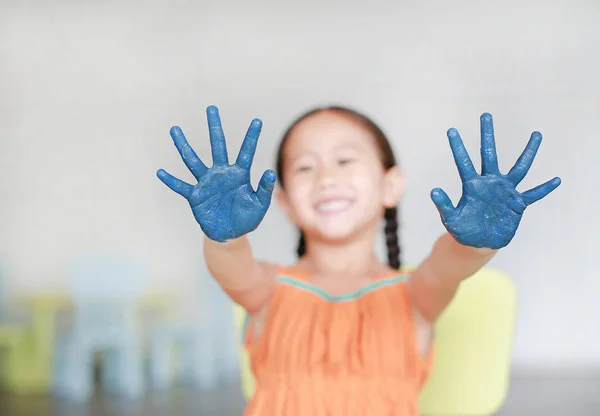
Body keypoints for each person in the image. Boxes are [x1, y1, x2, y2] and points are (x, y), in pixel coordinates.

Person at [156, 105, 561, 415]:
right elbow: (232, 267)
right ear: (284, 203)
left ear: (391, 185)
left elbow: (448, 265)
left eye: (345, 160)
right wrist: (226, 236)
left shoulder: (415, 296)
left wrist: (476, 243)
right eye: (305, 167)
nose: (326, 179)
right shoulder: (268, 290)